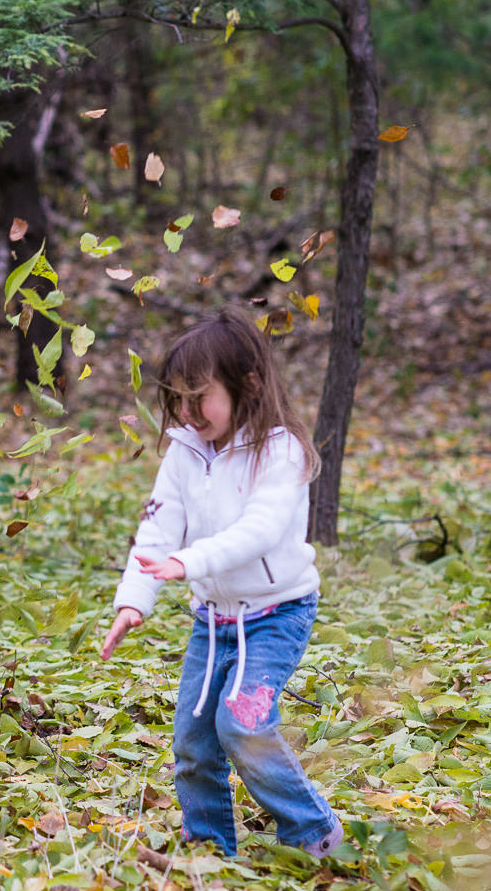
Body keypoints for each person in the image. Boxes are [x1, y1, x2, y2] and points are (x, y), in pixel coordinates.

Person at [98, 307, 342, 857]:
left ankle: (314, 832)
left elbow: (258, 531)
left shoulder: (279, 451)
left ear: (246, 385)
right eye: (177, 399)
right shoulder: (185, 450)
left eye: (199, 396)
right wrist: (133, 601)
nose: (186, 412)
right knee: (192, 738)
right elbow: (157, 527)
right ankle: (209, 841)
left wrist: (191, 562)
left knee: (244, 725)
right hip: (213, 621)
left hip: (277, 614)